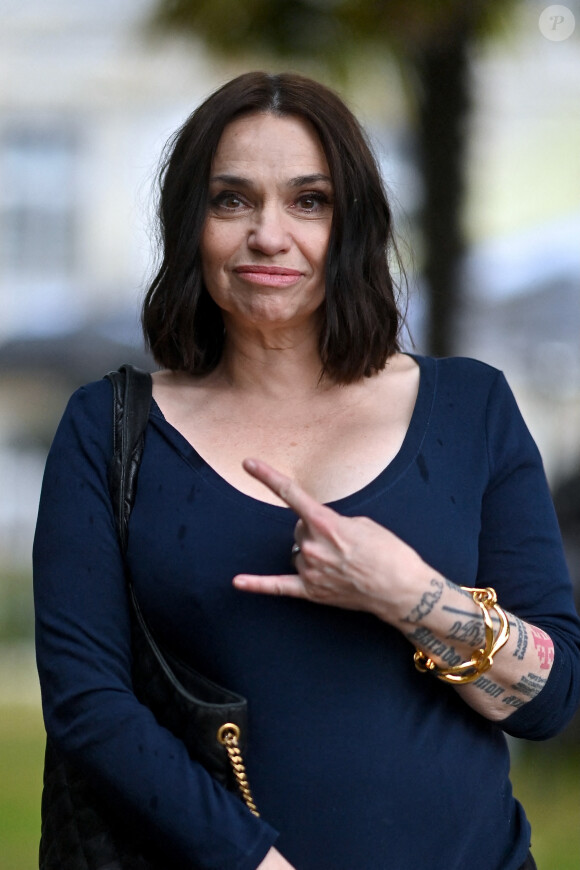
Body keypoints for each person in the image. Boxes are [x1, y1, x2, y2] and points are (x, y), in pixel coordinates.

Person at [33, 71, 580, 870]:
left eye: (309, 201)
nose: (268, 234)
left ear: (353, 224)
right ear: (191, 225)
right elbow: (89, 706)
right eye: (232, 201)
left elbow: (550, 699)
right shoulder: (110, 429)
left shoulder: (471, 408)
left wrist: (404, 593)